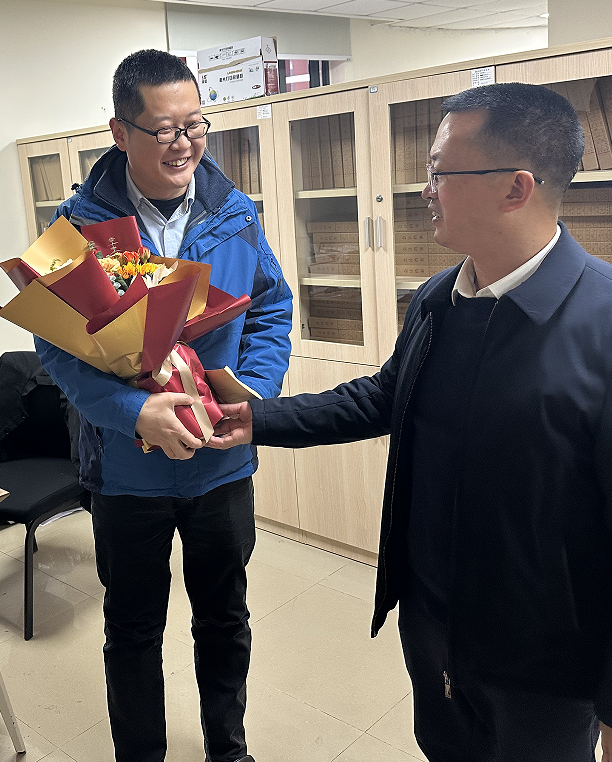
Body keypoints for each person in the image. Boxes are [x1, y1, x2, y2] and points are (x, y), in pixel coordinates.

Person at [207, 83, 612, 762]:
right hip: (433, 629)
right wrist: (256, 418)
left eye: (440, 171)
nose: (424, 190)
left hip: (545, 665)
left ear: (515, 188)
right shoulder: (438, 298)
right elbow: (384, 396)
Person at [35, 50, 292, 762]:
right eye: (165, 129)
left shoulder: (234, 213)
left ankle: (228, 751)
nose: (184, 144)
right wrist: (130, 412)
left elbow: (271, 310)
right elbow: (56, 345)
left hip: (220, 463)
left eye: (196, 125)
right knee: (133, 628)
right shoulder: (76, 227)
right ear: (120, 132)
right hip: (126, 472)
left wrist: (253, 393)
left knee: (225, 619)